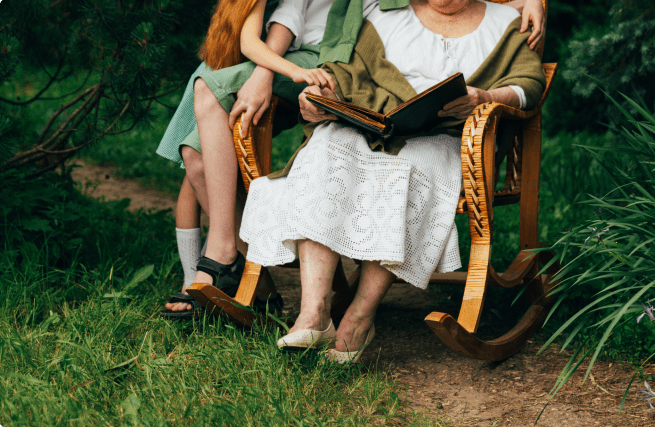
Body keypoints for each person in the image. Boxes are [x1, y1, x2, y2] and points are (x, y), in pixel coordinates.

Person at [239, 0, 547, 362]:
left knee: (412, 168)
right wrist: (320, 95)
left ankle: (358, 319)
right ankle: (314, 314)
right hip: (373, 124)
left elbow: (530, 83)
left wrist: (487, 97)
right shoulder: (384, 13)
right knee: (325, 148)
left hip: (445, 139)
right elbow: (345, 72)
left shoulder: (506, 21)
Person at [159, 0, 336, 318]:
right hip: (233, 62)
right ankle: (254, 283)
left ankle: (219, 264)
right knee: (194, 158)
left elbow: (289, 23)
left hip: (270, 64)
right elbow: (251, 39)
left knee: (198, 156)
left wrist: (268, 73)